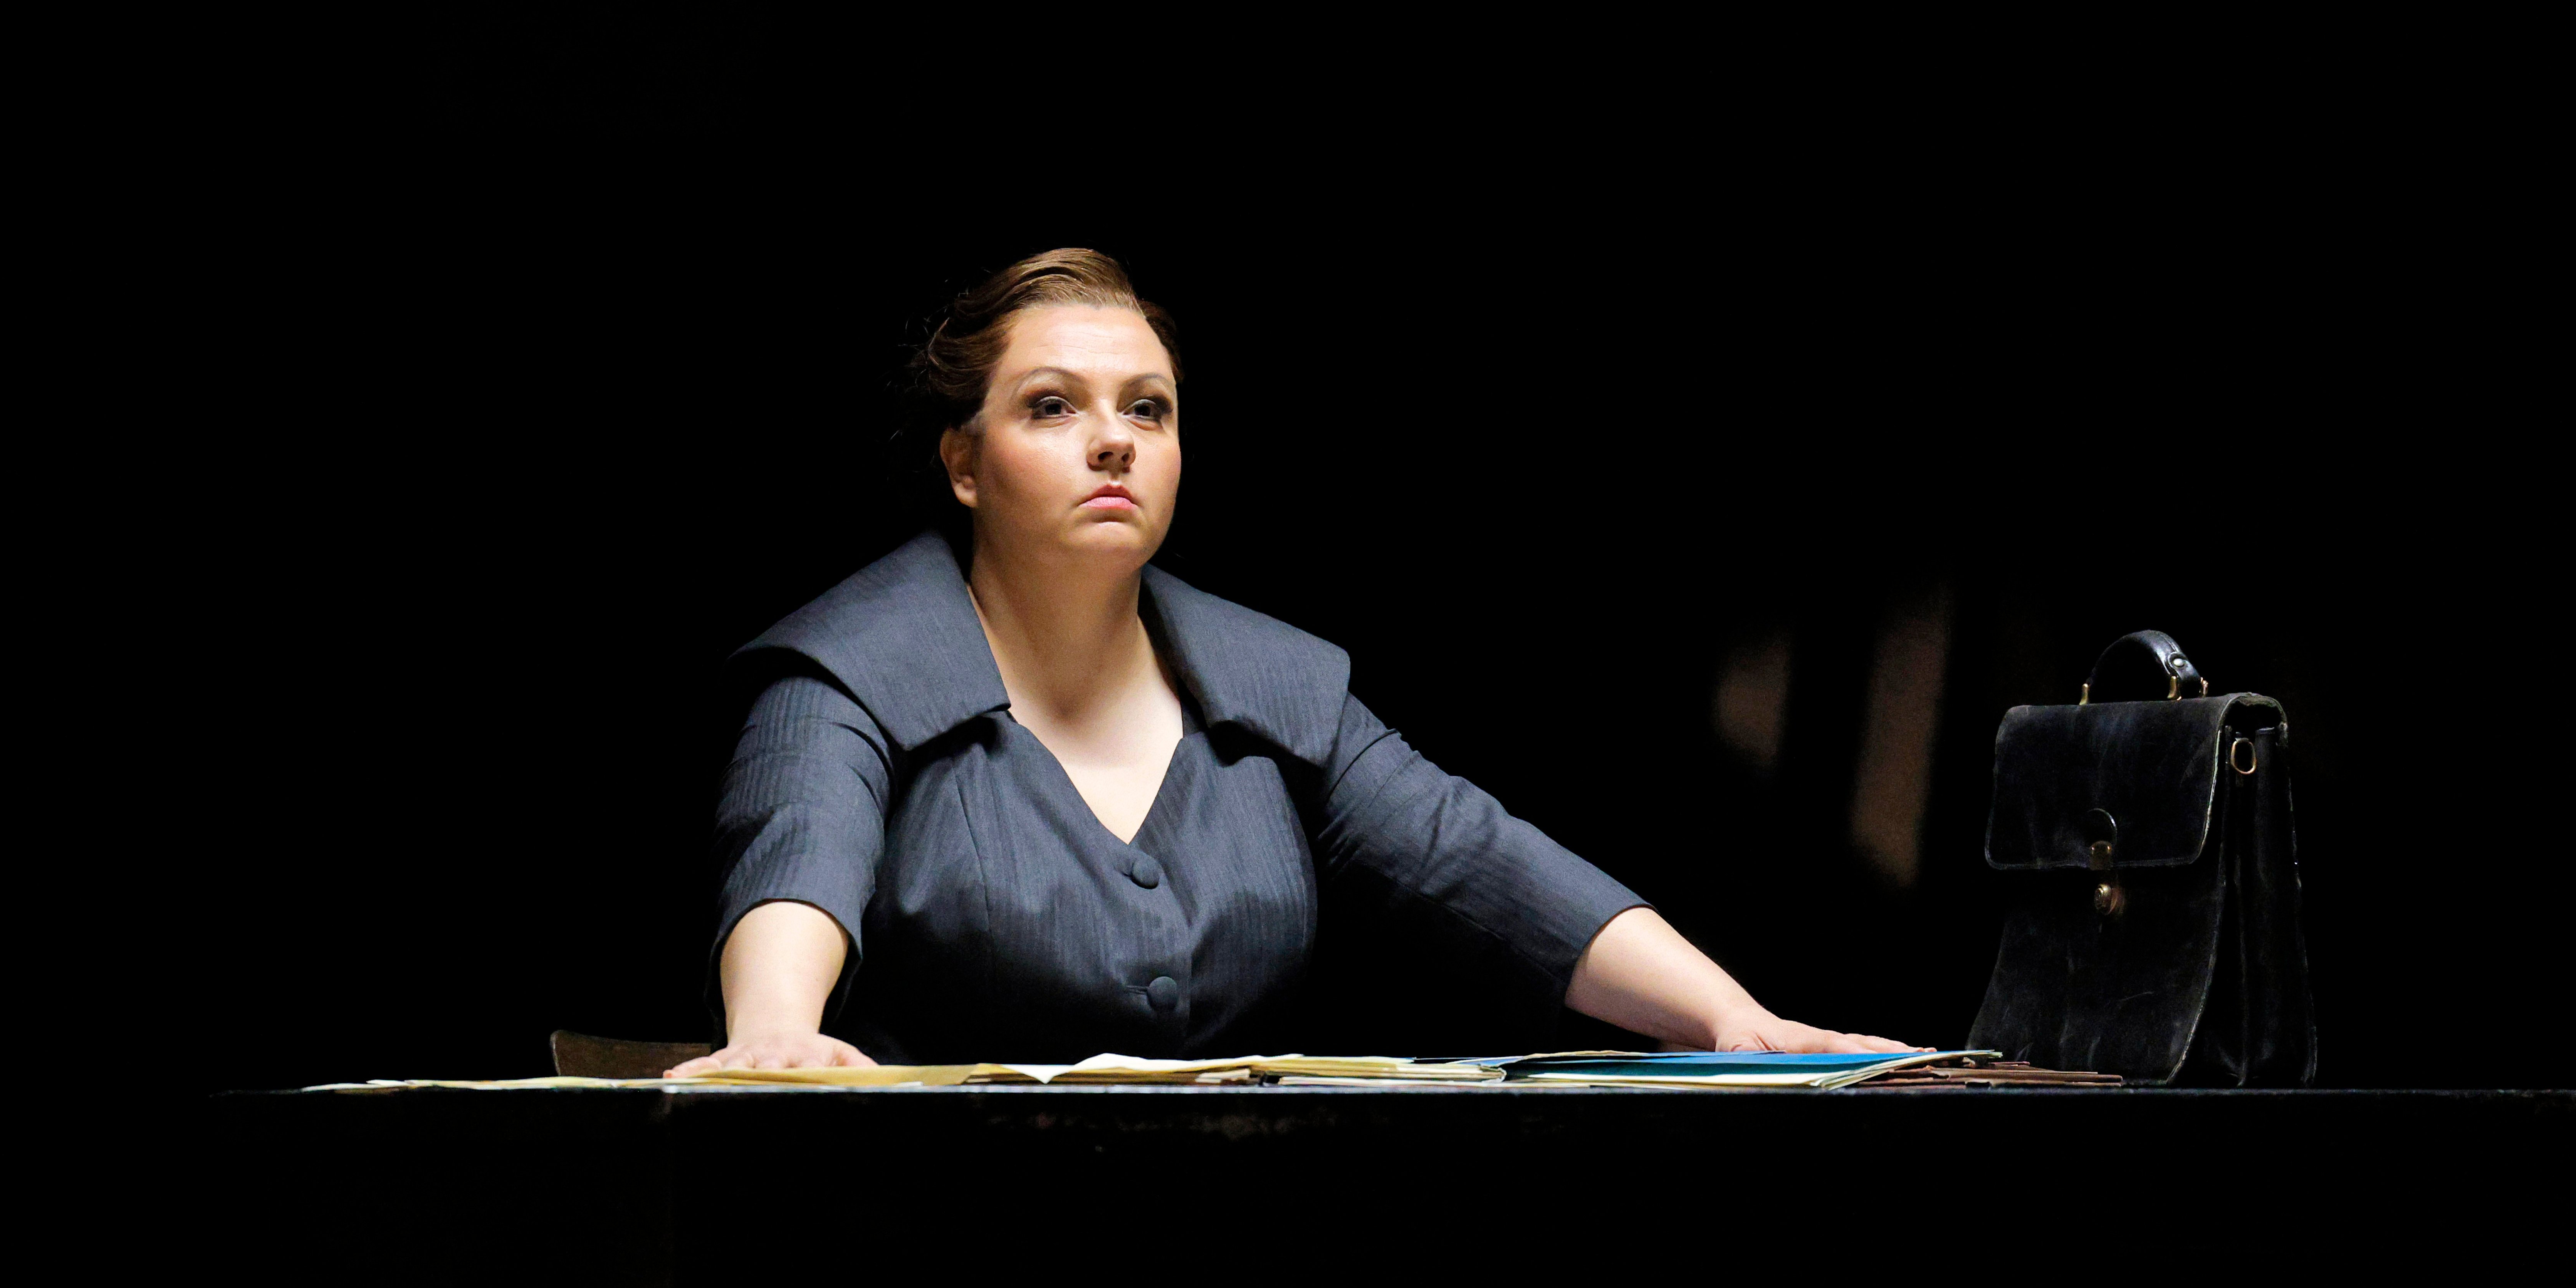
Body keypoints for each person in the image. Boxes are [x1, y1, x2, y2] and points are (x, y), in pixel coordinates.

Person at [669, 248, 1906, 1077]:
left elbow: (1473, 861)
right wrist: (775, 1033)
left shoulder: (1274, 687)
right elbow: (797, 854)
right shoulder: (842, 671)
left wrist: (1727, 1019)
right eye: (1053, 406)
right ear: (964, 462)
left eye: (1146, 409)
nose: (1113, 441)